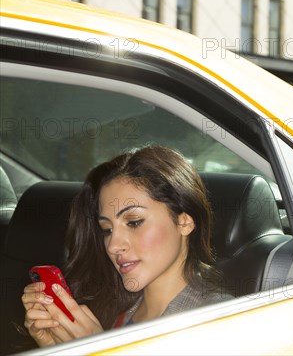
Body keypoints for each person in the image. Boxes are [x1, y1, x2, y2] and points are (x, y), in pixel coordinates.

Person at [21, 146, 231, 347]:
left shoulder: (223, 323)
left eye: (134, 222)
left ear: (184, 222)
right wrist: (53, 347)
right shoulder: (110, 308)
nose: (113, 246)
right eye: (107, 230)